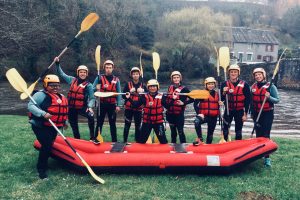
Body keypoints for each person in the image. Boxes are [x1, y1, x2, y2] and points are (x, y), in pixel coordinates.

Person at [28, 75, 68, 179]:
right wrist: (43, 113)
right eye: (52, 86)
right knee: (46, 146)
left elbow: (63, 111)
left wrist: (65, 121)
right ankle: (41, 170)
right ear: (45, 85)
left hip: (53, 126)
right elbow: (30, 106)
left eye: (57, 85)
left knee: (49, 145)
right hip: (40, 125)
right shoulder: (40, 95)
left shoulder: (61, 97)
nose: (55, 88)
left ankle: (45, 163)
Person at [54, 57, 96, 144]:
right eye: (81, 72)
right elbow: (61, 74)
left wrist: (90, 106)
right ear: (78, 73)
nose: (82, 74)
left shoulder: (89, 85)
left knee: (91, 116)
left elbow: (92, 98)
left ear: (86, 74)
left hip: (82, 107)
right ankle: (77, 139)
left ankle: (92, 137)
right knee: (74, 125)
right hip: (71, 107)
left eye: (84, 72)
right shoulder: (72, 80)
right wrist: (57, 64)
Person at [125, 79, 171, 144]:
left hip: (158, 123)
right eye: (151, 86)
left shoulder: (162, 96)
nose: (152, 88)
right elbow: (136, 105)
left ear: (157, 87)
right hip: (147, 122)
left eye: (154, 86)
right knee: (141, 141)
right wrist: (129, 98)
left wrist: (173, 99)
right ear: (148, 87)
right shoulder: (144, 97)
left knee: (163, 141)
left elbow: (168, 107)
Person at [251, 67, 280, 167]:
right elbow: (251, 101)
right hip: (256, 113)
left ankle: (267, 158)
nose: (258, 76)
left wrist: (269, 97)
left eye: (259, 74)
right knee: (258, 135)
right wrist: (251, 113)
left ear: (263, 75)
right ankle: (260, 154)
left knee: (266, 135)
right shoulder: (253, 87)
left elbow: (277, 100)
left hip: (267, 113)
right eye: (256, 75)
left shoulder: (271, 86)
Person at [220, 64, 251, 141]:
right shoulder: (224, 84)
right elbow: (221, 99)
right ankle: (225, 144)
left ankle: (238, 145)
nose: (233, 74)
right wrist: (224, 92)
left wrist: (245, 114)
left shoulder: (245, 85)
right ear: (229, 73)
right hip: (228, 110)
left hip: (239, 110)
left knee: (238, 131)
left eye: (235, 72)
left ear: (238, 73)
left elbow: (248, 100)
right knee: (225, 129)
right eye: (231, 72)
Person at [93, 60, 121, 142]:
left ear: (112, 68)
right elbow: (92, 88)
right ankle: (96, 139)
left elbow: (118, 93)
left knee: (112, 124)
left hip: (112, 105)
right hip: (102, 104)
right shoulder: (99, 78)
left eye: (110, 68)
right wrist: (96, 88)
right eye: (107, 67)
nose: (108, 69)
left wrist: (118, 105)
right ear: (104, 68)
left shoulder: (116, 79)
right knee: (99, 123)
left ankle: (114, 141)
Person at [166, 71, 193, 143]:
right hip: (170, 114)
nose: (176, 79)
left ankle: (183, 146)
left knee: (180, 132)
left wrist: (183, 103)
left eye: (177, 77)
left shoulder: (185, 89)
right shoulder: (170, 87)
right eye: (174, 78)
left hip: (179, 114)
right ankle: (173, 145)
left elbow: (192, 99)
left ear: (180, 78)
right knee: (173, 133)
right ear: (172, 79)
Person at [122, 67, 147, 143]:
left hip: (138, 109)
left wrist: (143, 92)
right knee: (127, 125)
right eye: (134, 74)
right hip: (129, 109)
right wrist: (129, 91)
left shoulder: (143, 86)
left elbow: (148, 97)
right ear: (131, 75)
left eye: (137, 74)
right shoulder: (128, 84)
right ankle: (125, 141)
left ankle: (137, 141)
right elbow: (123, 96)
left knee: (138, 126)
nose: (135, 75)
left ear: (139, 75)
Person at [193, 77, 220, 145]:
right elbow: (195, 104)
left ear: (214, 85)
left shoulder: (218, 94)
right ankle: (200, 139)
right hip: (204, 116)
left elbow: (221, 103)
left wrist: (222, 103)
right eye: (209, 84)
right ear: (206, 85)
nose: (211, 86)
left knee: (210, 135)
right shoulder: (202, 93)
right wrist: (199, 113)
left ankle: (208, 145)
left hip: (213, 117)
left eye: (212, 84)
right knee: (197, 122)